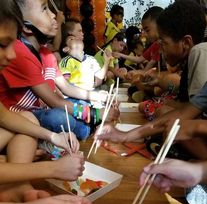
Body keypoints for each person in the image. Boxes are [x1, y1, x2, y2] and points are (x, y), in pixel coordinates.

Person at [96, 0, 207, 160]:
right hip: (205, 129)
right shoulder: (197, 57)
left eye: (163, 42)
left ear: (186, 43)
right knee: (167, 117)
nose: (160, 48)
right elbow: (189, 110)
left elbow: (194, 117)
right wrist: (125, 135)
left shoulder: (201, 51)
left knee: (172, 123)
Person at [0, 0, 85, 202]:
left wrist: (53, 137)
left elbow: (4, 117)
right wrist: (51, 168)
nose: (12, 54)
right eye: (3, 45)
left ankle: (17, 186)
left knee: (27, 118)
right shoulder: (25, 54)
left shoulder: (45, 54)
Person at [0, 0, 118, 141]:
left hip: (44, 110)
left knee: (77, 101)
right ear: (26, 27)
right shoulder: (20, 53)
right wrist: (95, 114)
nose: (53, 15)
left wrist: (101, 97)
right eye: (44, 9)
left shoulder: (47, 54)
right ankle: (88, 129)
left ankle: (81, 128)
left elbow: (67, 87)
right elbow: (55, 102)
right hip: (26, 117)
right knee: (57, 118)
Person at [59, 19, 111, 90]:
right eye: (79, 31)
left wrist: (107, 61)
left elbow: (98, 79)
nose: (82, 34)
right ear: (66, 48)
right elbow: (66, 86)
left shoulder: (91, 59)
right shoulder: (66, 62)